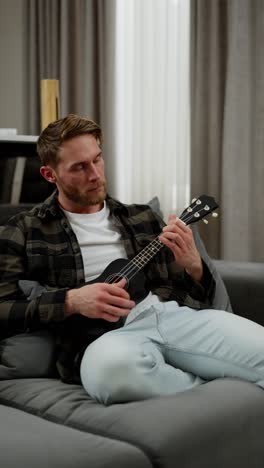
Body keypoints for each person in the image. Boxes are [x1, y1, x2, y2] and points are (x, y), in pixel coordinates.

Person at [1, 113, 264, 405]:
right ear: (50, 175)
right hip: (105, 340)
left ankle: (212, 397)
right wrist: (72, 301)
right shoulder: (22, 230)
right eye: (80, 167)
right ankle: (223, 397)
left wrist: (194, 266)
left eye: (98, 159)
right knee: (111, 376)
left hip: (169, 315)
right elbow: (4, 309)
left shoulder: (142, 216)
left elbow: (191, 294)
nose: (96, 175)